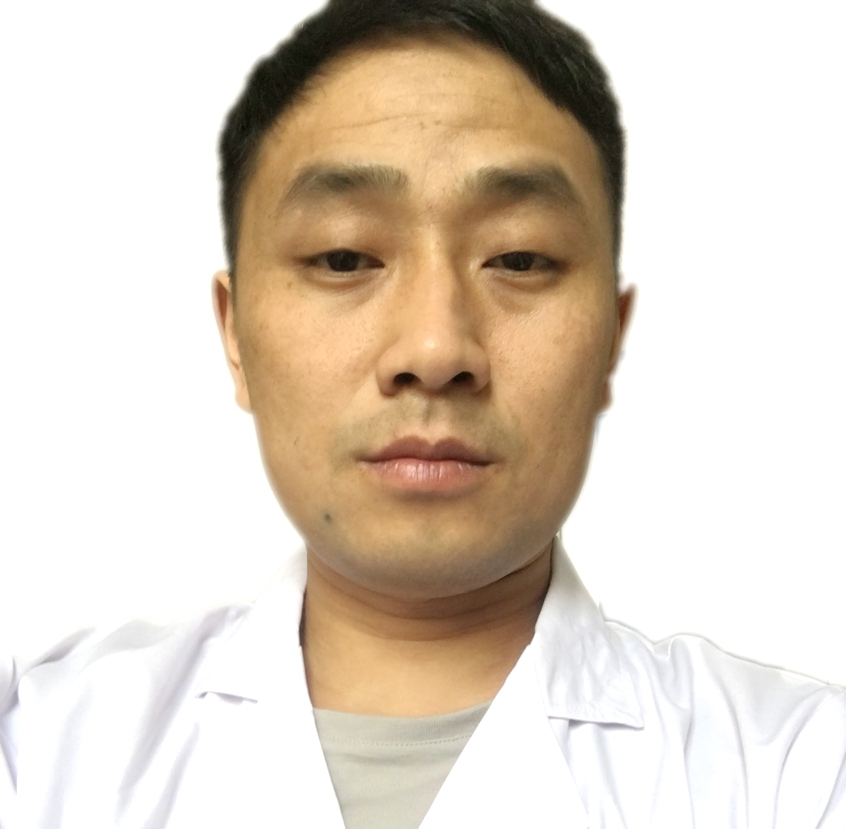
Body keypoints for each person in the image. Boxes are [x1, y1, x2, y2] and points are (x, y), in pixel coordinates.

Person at [1, 0, 844, 826]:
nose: (436, 349)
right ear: (235, 333)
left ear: (610, 339)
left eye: (519, 257)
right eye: (343, 256)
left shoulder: (799, 774)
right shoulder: (39, 750)